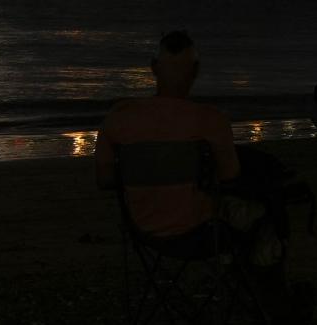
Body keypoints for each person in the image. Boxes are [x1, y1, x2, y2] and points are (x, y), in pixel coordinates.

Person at [95, 30, 239, 239]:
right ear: (196, 70)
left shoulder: (118, 118)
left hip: (141, 230)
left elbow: (105, 180)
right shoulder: (212, 121)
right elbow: (230, 176)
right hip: (200, 231)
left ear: (153, 67)